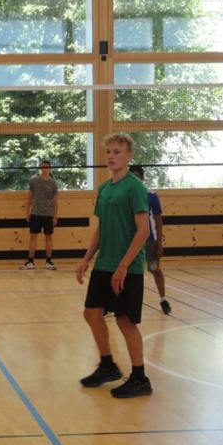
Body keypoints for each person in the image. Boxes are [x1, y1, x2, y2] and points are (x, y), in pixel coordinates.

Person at [75, 133, 153, 399]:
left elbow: (143, 231)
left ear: (129, 156)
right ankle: (107, 365)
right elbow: (101, 227)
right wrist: (86, 258)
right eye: (108, 151)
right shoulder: (104, 189)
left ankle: (140, 378)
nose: (111, 156)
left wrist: (123, 266)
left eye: (117, 151)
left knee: (125, 320)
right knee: (91, 313)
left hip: (127, 267)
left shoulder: (135, 188)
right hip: (104, 263)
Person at [129, 165, 172, 315]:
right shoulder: (126, 195)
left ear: (142, 177)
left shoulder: (151, 196)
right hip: (132, 241)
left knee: (155, 269)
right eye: (132, 176)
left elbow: (158, 220)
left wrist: (159, 243)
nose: (134, 179)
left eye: (137, 176)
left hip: (150, 241)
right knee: (127, 271)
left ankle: (163, 299)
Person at [21, 160, 59, 270]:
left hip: (48, 214)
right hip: (36, 213)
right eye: (43, 167)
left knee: (48, 237)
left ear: (50, 168)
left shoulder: (53, 183)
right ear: (40, 168)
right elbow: (29, 197)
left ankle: (48, 261)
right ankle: (31, 261)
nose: (45, 169)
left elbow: (55, 201)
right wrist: (27, 212)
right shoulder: (34, 181)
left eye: (47, 167)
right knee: (33, 237)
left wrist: (55, 216)